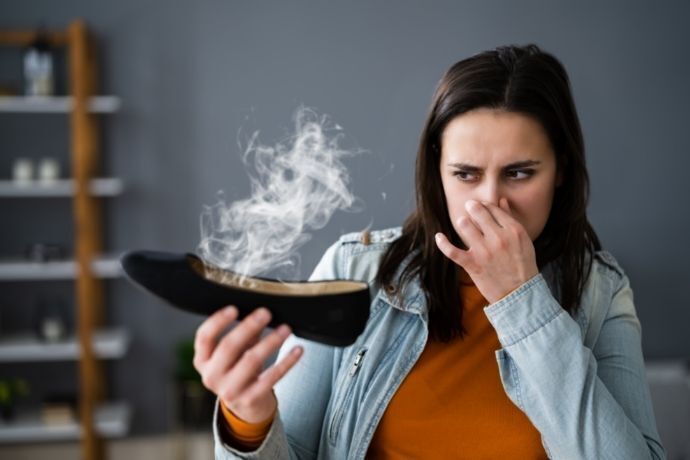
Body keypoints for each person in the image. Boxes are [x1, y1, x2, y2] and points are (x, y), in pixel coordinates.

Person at [194, 44, 666, 459]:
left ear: (561, 170)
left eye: (519, 173)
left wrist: (522, 302)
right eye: (465, 174)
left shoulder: (601, 292)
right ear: (436, 172)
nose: (491, 202)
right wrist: (249, 420)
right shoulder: (353, 270)